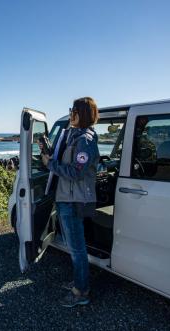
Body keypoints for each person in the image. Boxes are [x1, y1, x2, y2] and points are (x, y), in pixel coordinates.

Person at [41, 97, 100, 307]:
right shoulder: (75, 136)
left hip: (74, 201)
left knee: (77, 248)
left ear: (80, 113)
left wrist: (51, 164)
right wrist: (51, 155)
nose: (70, 113)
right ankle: (79, 282)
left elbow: (76, 172)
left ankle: (81, 291)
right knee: (74, 246)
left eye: (72, 110)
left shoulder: (84, 139)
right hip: (67, 198)